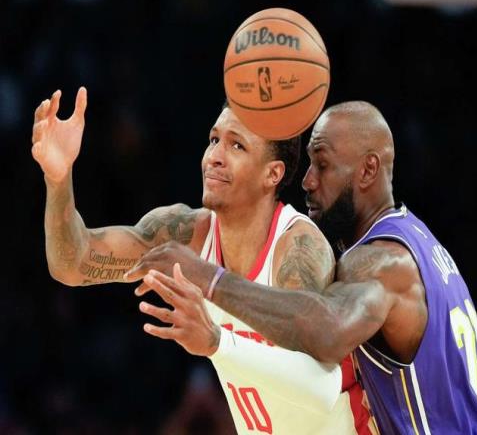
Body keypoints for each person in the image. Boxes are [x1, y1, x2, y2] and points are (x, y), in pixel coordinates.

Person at [128, 101, 477, 434]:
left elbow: (327, 335)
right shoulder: (417, 238)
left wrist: (210, 281)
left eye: (322, 165)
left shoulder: (380, 262)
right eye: (309, 164)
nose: (307, 180)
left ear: (368, 170)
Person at [31, 88, 375, 434]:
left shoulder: (298, 249)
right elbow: (73, 264)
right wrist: (58, 179)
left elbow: (322, 388)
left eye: (236, 145)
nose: (215, 157)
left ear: (272, 174)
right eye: (214, 140)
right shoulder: (187, 234)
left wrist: (217, 341)